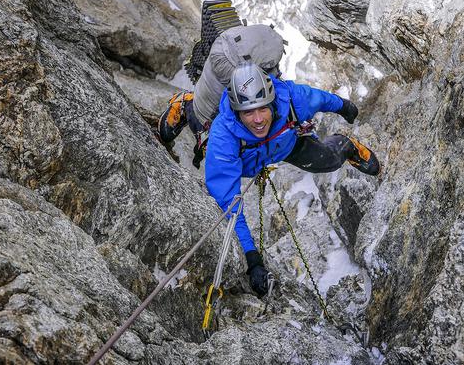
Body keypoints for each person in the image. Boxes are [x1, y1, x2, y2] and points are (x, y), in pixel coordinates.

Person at [204, 63, 380, 297]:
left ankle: (347, 146)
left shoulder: (291, 100)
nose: (257, 119)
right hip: (250, 159)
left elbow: (320, 98)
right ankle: (187, 104)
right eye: (248, 112)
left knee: (329, 161)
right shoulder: (223, 137)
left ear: (272, 102)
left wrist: (344, 107)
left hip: (286, 144)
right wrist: (252, 258)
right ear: (237, 112)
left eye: (262, 109)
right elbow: (229, 203)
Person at [157, 24, 285, 167]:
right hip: (206, 112)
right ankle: (185, 103)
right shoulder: (242, 74)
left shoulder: (228, 41)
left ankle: (189, 105)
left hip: (210, 106)